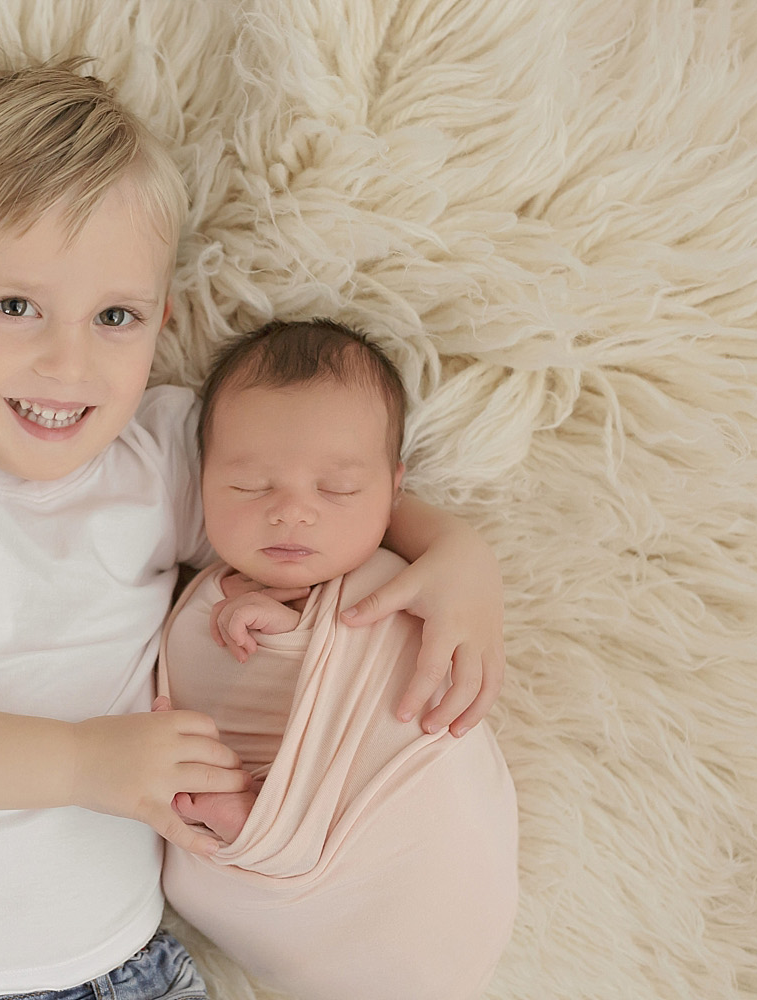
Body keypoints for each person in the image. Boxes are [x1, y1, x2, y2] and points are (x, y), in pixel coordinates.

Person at [0, 60, 506, 1000]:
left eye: (115, 315)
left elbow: (300, 502)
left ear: (162, 320)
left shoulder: (158, 455)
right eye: (15, 306)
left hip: (122, 966)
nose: (69, 362)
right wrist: (81, 763)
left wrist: (450, 549)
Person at [155, 319, 519, 1000]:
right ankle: (259, 822)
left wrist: (293, 626)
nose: (292, 512)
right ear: (202, 481)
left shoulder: (401, 576)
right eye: (250, 485)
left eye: (338, 490)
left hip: (406, 824)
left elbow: (387, 661)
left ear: (392, 492)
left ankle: (264, 817)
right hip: (272, 858)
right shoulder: (194, 592)